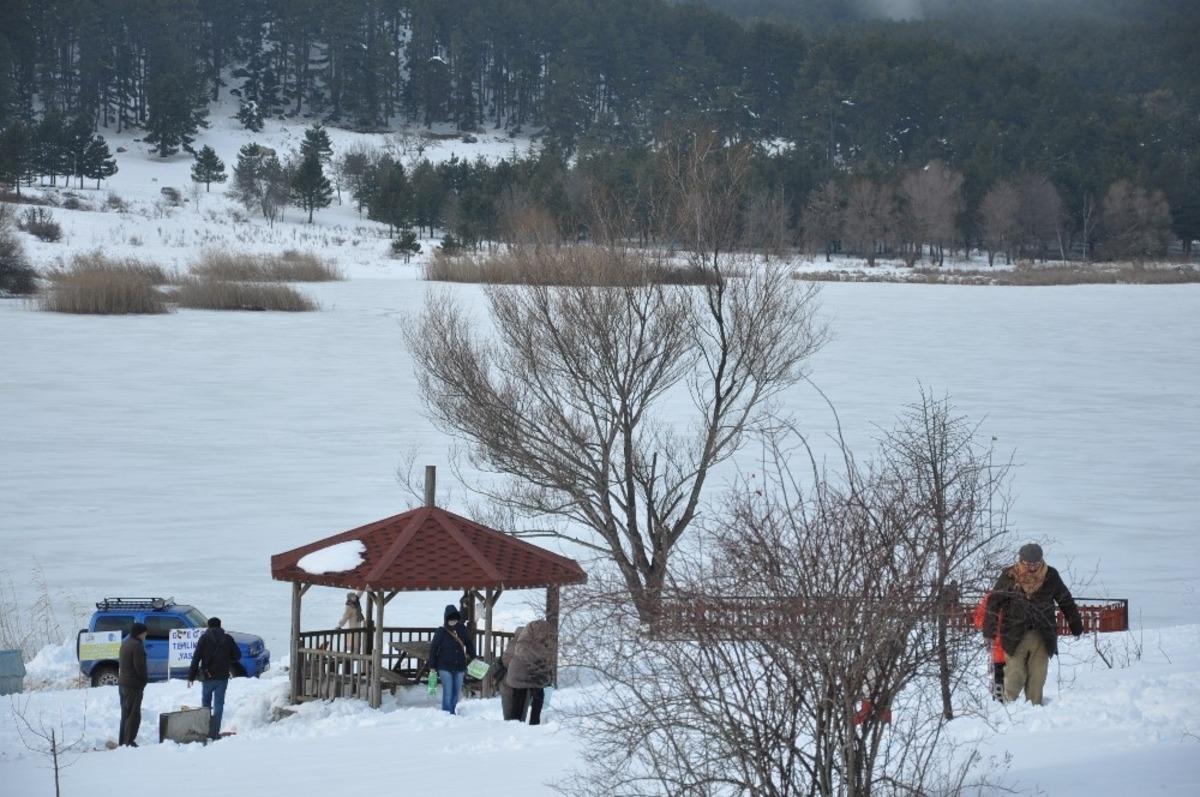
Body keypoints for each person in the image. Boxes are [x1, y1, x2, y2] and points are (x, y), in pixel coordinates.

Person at [982, 543, 1083, 705]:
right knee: (1015, 674)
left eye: (1036, 563)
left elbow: (1066, 601)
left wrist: (1076, 626)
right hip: (1013, 633)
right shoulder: (1010, 575)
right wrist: (989, 631)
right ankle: (1009, 708)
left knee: (1038, 675)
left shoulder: (1051, 575)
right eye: (1029, 564)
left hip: (1043, 634)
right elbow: (994, 602)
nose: (1033, 567)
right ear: (1021, 561)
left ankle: (1035, 710)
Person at [187, 617, 242, 739]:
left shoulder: (204, 639)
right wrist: (227, 659)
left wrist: (191, 677)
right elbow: (238, 656)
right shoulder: (228, 639)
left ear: (208, 626)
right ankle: (214, 733)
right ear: (220, 625)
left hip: (207, 677)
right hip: (222, 677)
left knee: (206, 704)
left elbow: (196, 658)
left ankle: (205, 731)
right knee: (219, 705)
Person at [503, 619, 552, 725]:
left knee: (519, 701)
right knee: (535, 698)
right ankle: (532, 722)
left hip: (519, 676)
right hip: (528, 676)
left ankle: (517, 723)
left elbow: (507, 659)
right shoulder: (536, 645)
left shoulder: (522, 643)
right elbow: (541, 661)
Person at [427, 604, 474, 714]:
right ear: (446, 619)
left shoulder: (462, 629)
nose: (453, 621)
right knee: (448, 692)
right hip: (444, 667)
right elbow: (433, 648)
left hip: (460, 666)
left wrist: (473, 657)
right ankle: (447, 715)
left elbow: (469, 644)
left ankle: (452, 712)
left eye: (454, 618)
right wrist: (432, 666)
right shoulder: (441, 632)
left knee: (456, 693)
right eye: (450, 618)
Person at [117, 622, 149, 747]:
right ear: (140, 633)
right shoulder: (137, 646)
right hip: (133, 685)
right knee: (133, 715)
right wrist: (144, 680)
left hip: (123, 683)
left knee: (125, 713)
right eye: (145, 632)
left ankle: (123, 740)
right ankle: (129, 741)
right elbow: (139, 667)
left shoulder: (125, 643)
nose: (146, 634)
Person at [973, 592, 1006, 701]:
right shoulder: (1018, 595)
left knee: (997, 672)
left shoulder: (989, 597)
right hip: (1012, 645)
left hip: (995, 645)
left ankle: (998, 697)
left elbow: (978, 621)